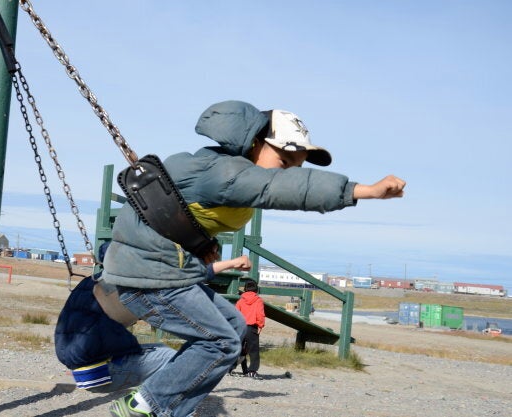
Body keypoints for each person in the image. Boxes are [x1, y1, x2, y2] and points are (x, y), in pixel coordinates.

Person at [102, 100, 406, 417]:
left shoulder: (224, 170)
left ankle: (166, 407)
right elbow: (278, 187)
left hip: (164, 274)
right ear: (255, 142)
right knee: (220, 342)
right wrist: (363, 191)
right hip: (149, 280)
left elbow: (181, 215)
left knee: (234, 329)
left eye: (295, 167)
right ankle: (144, 406)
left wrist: (202, 242)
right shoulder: (224, 172)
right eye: (284, 161)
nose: (287, 172)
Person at [54, 245, 252, 399]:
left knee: (159, 350)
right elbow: (190, 276)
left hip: (80, 367)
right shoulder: (129, 285)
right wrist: (232, 263)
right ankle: (155, 405)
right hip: (100, 371)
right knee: (183, 363)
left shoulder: (90, 282)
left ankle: (150, 400)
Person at [233, 280, 265, 378]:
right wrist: (260, 325)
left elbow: (235, 313)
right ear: (256, 289)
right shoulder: (258, 300)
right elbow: (260, 314)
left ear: (245, 289)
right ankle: (252, 371)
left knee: (240, 349)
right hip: (252, 328)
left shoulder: (241, 300)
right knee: (253, 351)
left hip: (240, 327)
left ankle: (232, 368)